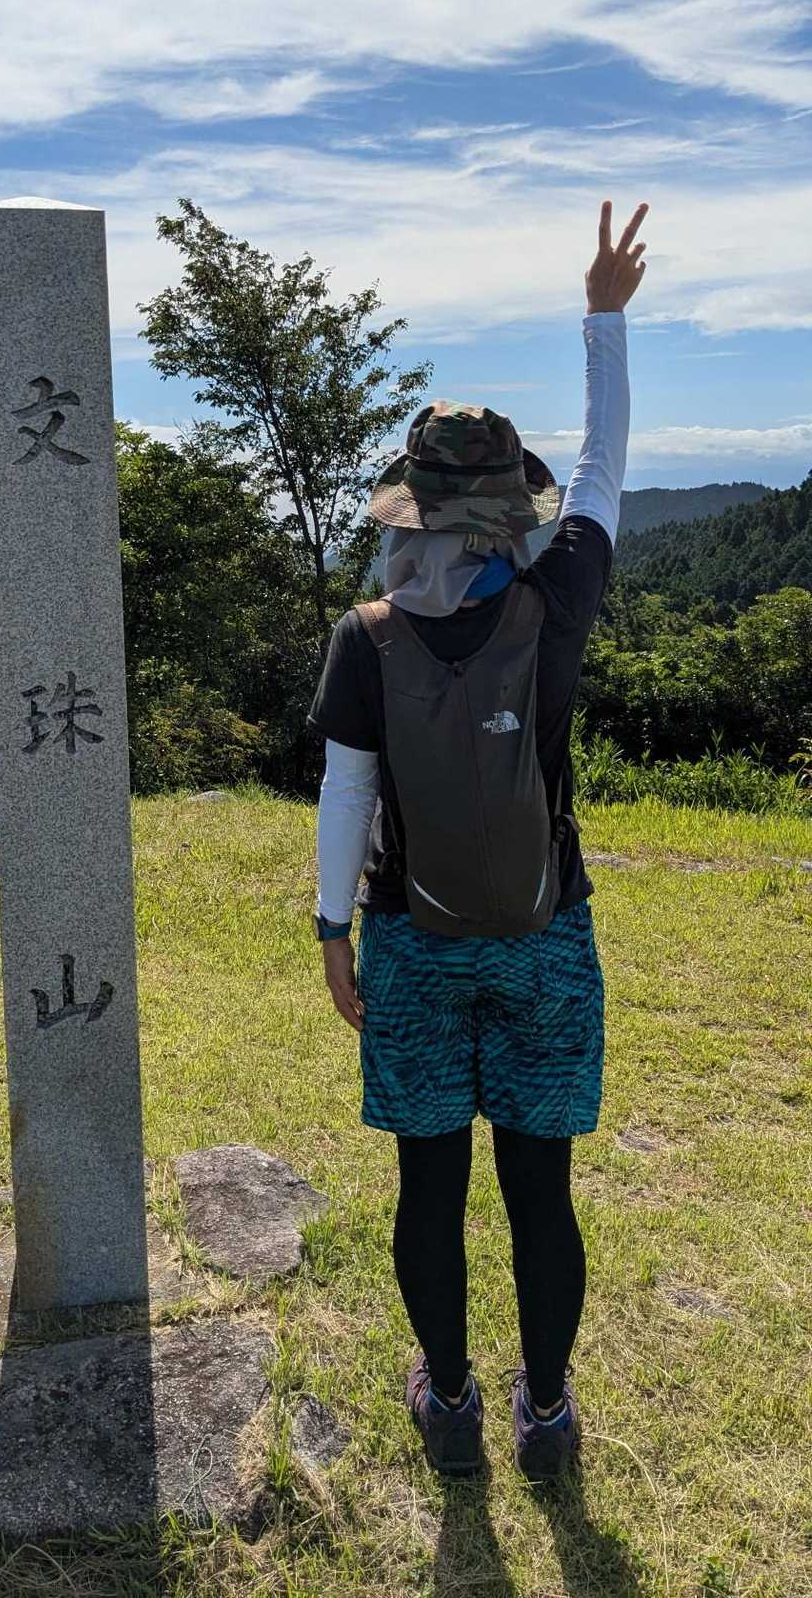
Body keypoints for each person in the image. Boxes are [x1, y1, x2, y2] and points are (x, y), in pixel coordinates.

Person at [308, 199, 648, 1481]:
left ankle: (449, 1404)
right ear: (512, 504)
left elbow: (346, 793)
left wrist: (334, 931)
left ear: (411, 506)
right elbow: (606, 468)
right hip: (547, 939)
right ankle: (546, 1417)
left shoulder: (368, 635)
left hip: (411, 938)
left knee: (429, 1190)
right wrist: (603, 319)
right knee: (540, 1194)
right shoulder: (558, 598)